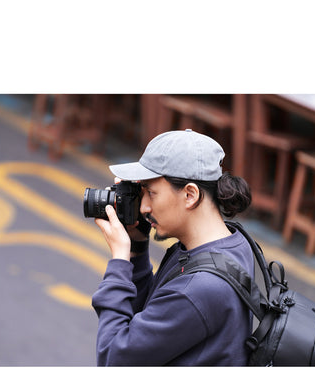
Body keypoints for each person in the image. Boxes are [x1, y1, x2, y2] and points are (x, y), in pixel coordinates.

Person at [92, 129, 253, 366]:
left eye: (151, 193)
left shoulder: (197, 289)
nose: (144, 207)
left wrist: (119, 261)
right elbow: (150, 311)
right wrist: (136, 245)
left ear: (190, 195)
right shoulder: (232, 242)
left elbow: (112, 358)